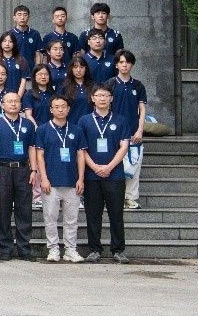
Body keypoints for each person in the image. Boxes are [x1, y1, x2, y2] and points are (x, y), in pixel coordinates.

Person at [79, 84, 130, 263]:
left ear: (111, 98)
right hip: (92, 176)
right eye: (99, 95)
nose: (102, 98)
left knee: (116, 214)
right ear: (92, 98)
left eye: (106, 95)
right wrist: (94, 167)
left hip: (115, 175)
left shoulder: (120, 120)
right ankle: (94, 250)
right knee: (93, 215)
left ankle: (118, 250)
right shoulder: (84, 121)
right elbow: (81, 149)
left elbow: (124, 146)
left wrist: (109, 167)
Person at [35, 94, 86, 263]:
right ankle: (53, 249)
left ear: (69, 109)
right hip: (51, 182)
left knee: (71, 219)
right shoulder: (43, 129)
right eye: (56, 107)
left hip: (72, 181)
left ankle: (70, 249)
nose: (60, 109)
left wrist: (81, 178)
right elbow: (39, 155)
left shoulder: (76, 130)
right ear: (51, 109)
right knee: (50, 218)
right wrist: (43, 178)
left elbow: (81, 155)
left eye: (63, 106)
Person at [0, 91, 37, 261]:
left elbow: (32, 147)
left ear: (20, 104)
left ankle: (24, 248)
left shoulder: (28, 124)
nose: (13, 104)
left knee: (24, 209)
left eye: (16, 101)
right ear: (2, 105)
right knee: (3, 209)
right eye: (9, 101)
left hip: (23, 169)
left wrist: (34, 170)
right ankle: (5, 248)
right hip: (2, 169)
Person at [107, 49, 147, 209]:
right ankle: (115, 198)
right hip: (113, 133)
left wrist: (140, 130)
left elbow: (142, 109)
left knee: (134, 166)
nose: (124, 65)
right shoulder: (110, 84)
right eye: (121, 62)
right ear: (116, 65)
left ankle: (130, 198)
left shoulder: (138, 85)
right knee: (114, 166)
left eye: (128, 62)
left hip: (133, 132)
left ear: (132, 65)